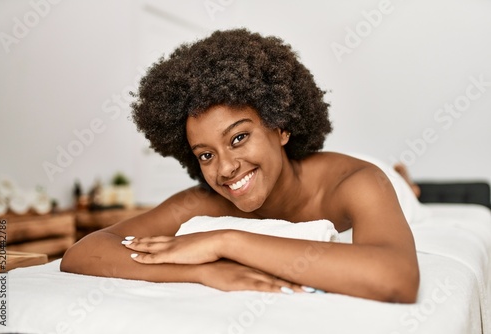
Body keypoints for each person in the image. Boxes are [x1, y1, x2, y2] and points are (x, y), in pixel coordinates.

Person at [61, 29, 419, 303]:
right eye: (206, 154)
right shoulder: (210, 198)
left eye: (238, 138)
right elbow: (83, 252)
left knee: (401, 185)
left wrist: (225, 242)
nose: (226, 168)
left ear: (281, 127)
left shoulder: (357, 182)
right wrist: (204, 271)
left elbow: (395, 278)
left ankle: (405, 177)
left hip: (379, 175)